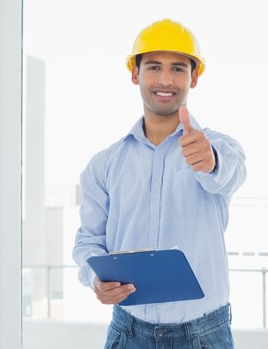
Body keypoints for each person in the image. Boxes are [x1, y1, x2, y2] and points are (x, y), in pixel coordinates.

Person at [72, 18, 247, 349]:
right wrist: (95, 279)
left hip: (204, 336)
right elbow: (88, 242)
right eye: (154, 67)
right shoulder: (104, 164)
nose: (166, 79)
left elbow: (231, 173)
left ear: (194, 78)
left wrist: (210, 162)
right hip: (128, 333)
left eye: (179, 69)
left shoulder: (219, 148)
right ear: (135, 74)